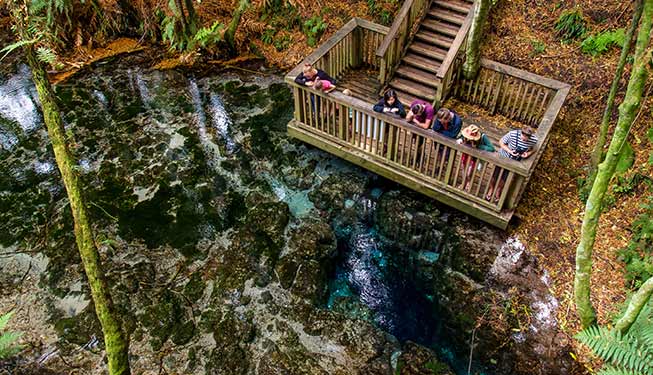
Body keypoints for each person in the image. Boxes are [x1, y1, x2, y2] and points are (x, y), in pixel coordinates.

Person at [486, 126, 538, 202]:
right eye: (523, 137)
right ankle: (491, 189)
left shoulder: (533, 140)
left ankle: (498, 191)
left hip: (514, 161)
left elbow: (535, 149)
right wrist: (510, 151)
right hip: (503, 156)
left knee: (505, 177)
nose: (524, 139)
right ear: (521, 133)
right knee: (495, 174)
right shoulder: (512, 134)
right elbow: (501, 142)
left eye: (526, 139)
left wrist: (528, 153)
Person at [456, 125, 495, 191]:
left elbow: (491, 148)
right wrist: (460, 140)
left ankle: (469, 182)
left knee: (469, 172)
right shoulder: (465, 134)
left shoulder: (483, 137)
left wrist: (478, 146)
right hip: (466, 154)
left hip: (475, 158)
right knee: (463, 169)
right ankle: (464, 182)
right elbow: (460, 137)